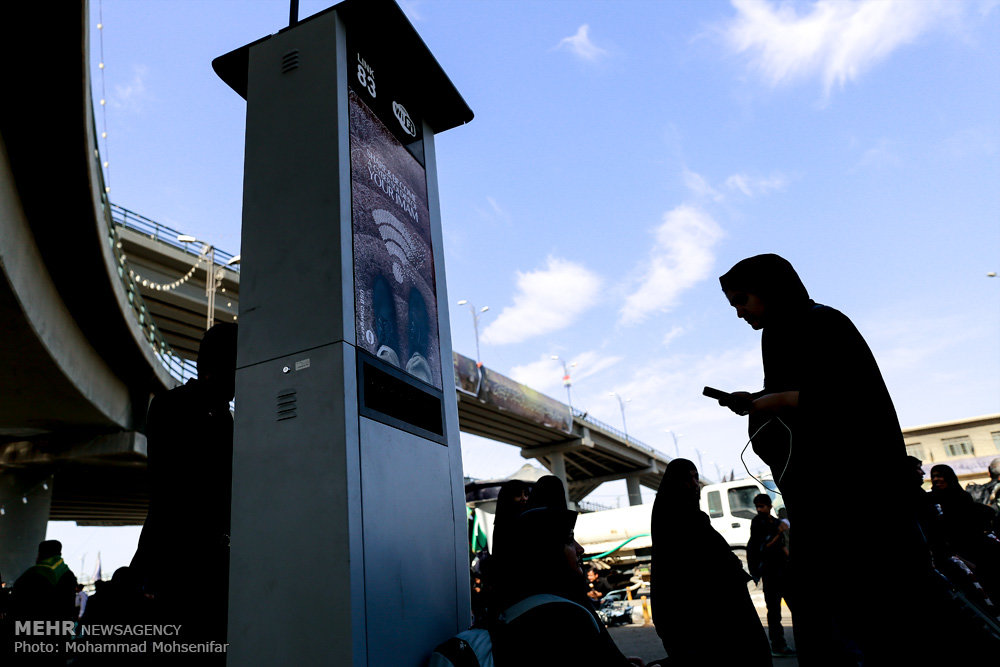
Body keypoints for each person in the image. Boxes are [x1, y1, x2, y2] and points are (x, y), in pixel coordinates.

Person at [718, 254, 930, 665]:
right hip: (816, 504)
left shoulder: (824, 323)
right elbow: (791, 402)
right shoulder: (775, 337)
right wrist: (760, 402)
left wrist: (776, 400)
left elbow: (854, 401)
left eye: (743, 300)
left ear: (771, 290)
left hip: (861, 501)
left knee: (881, 619)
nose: (741, 313)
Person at [131, 322, 237, 659]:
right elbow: (170, 492)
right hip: (179, 567)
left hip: (201, 567)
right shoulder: (174, 407)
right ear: (221, 366)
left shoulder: (224, 417)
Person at [650, 459, 771, 667]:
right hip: (705, 618)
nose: (695, 484)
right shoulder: (678, 520)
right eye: (688, 478)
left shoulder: (690, 517)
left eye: (696, 477)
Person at [490, 505, 642, 666]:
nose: (580, 549)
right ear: (547, 550)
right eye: (569, 540)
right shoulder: (567, 616)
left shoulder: (506, 610)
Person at [747, 494, 794, 657]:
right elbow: (762, 546)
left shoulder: (775, 522)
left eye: (762, 506)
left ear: (769, 506)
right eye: (757, 507)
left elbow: (783, 545)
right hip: (770, 574)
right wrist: (778, 532)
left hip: (784, 572)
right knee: (774, 612)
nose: (760, 509)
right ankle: (778, 646)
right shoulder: (758, 523)